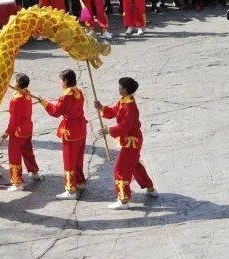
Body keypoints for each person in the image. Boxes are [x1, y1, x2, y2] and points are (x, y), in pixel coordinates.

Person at [96, 77, 155, 208]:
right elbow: (112, 111)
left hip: (131, 142)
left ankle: (123, 199)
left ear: (125, 90)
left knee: (120, 169)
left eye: (120, 87)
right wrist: (101, 108)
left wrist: (109, 130)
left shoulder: (130, 107)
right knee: (134, 165)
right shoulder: (124, 101)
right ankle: (150, 188)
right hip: (130, 140)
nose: (118, 89)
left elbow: (125, 127)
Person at [40, 69, 88, 199]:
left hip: (70, 131)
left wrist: (44, 103)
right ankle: (80, 181)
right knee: (78, 158)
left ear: (65, 81)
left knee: (69, 160)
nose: (60, 83)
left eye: (60, 80)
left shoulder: (66, 96)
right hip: (81, 128)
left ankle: (70, 190)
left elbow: (56, 112)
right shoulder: (79, 92)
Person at [3, 73, 38, 191]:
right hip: (28, 128)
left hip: (18, 132)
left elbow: (14, 120)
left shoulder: (17, 100)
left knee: (14, 156)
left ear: (18, 84)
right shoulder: (27, 93)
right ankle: (35, 172)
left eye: (15, 81)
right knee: (27, 151)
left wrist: (7, 132)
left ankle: (17, 182)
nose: (13, 82)